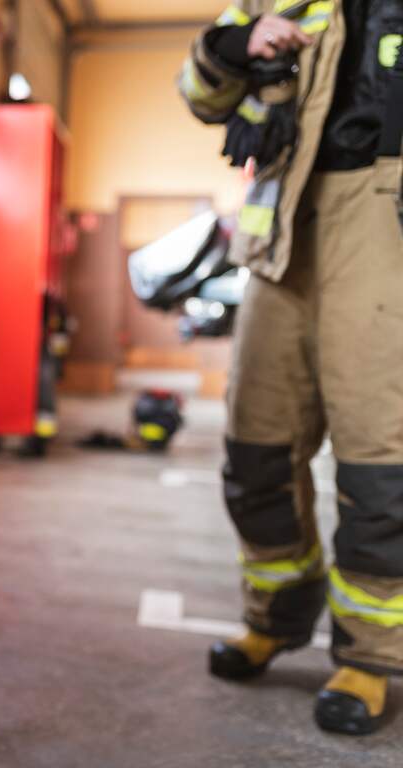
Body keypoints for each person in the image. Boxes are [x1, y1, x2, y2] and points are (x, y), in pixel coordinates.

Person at [180, 1, 403, 736]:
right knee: (256, 448)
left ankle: (370, 655)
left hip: (384, 225)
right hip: (281, 228)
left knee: (380, 464)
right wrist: (239, 42)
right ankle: (275, 614)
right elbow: (198, 93)